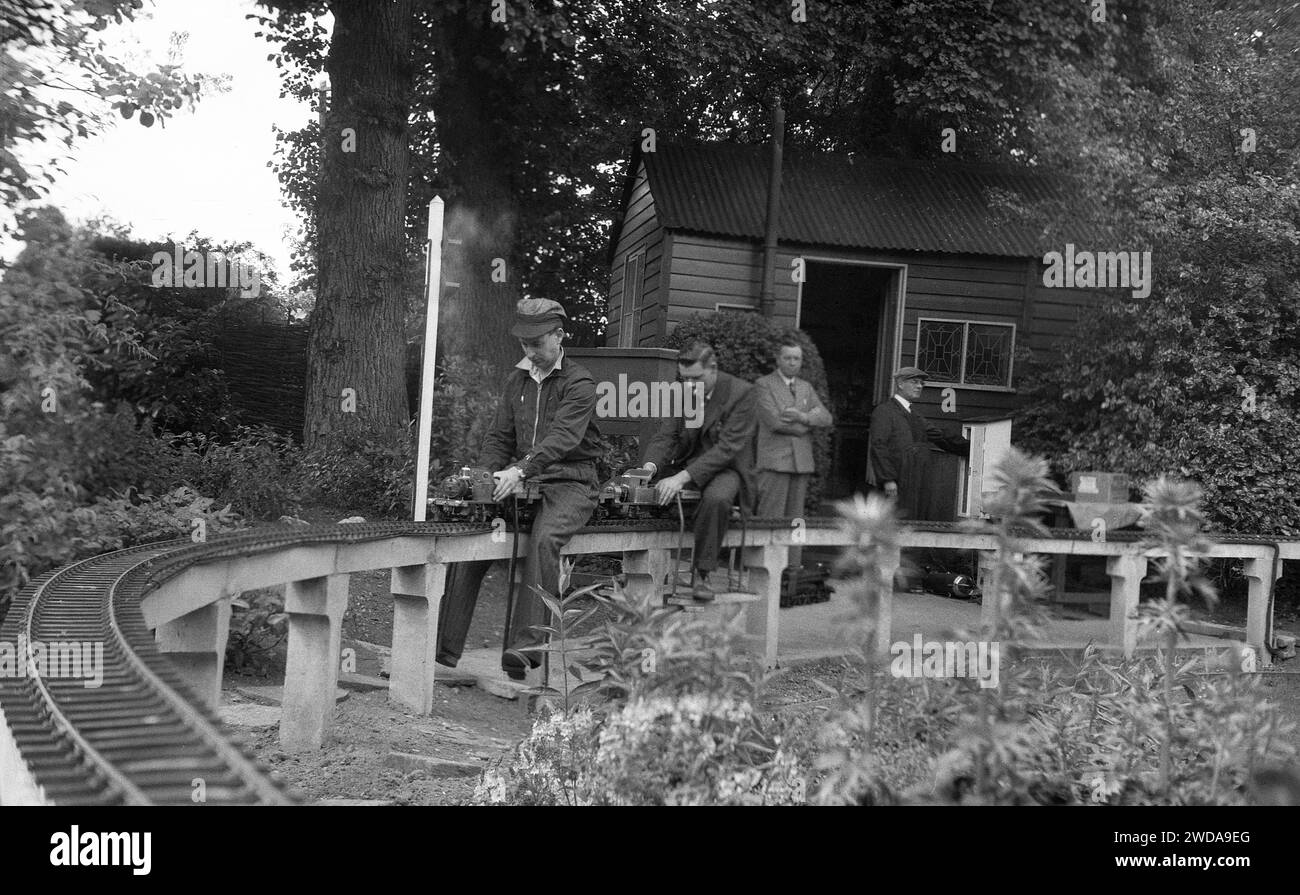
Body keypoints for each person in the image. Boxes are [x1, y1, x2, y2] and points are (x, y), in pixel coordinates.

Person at [436, 299, 603, 680]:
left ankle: (525, 651)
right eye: (524, 344)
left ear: (559, 336)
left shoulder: (580, 383)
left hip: (572, 479)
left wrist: (521, 470)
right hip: (523, 477)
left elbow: (563, 438)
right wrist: (487, 477)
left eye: (537, 344)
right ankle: (442, 650)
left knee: (544, 540)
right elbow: (499, 436)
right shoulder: (517, 380)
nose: (529, 352)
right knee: (473, 533)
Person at [641, 342, 757, 600]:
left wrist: (681, 478)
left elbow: (727, 449)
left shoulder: (743, 394)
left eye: (696, 378)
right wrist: (648, 468)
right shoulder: (685, 391)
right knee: (647, 493)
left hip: (728, 468)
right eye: (685, 380)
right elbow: (667, 436)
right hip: (688, 464)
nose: (690, 386)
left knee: (717, 499)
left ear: (713, 368)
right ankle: (647, 570)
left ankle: (702, 575)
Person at [867, 366, 969, 520]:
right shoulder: (884, 411)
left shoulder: (914, 415)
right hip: (895, 480)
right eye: (915, 382)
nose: (920, 386)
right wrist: (888, 479)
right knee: (893, 521)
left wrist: (972, 448)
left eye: (922, 383)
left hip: (914, 481)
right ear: (900, 384)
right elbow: (878, 446)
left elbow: (940, 436)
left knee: (910, 521)